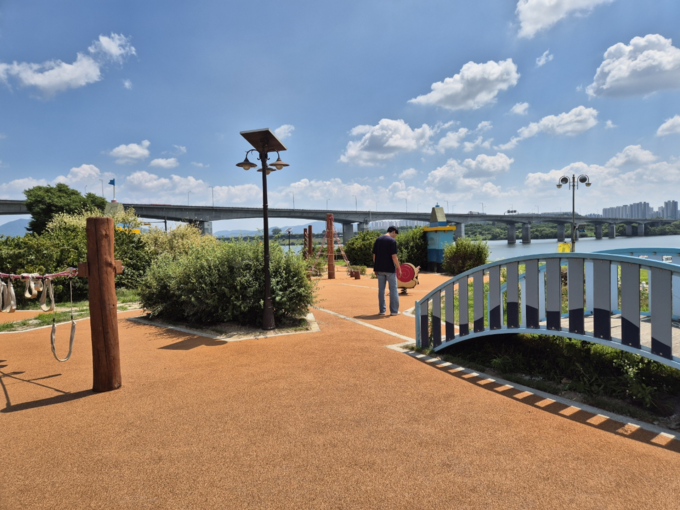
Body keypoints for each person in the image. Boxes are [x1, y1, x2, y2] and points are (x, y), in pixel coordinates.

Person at [372, 226, 402, 316]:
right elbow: (394, 256)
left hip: (379, 269)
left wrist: (376, 267)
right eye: (395, 235)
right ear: (393, 232)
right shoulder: (392, 241)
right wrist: (399, 268)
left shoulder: (378, 240)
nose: (395, 237)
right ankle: (394, 311)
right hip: (390, 269)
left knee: (381, 290)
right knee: (393, 289)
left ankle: (382, 311)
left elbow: (374, 255)